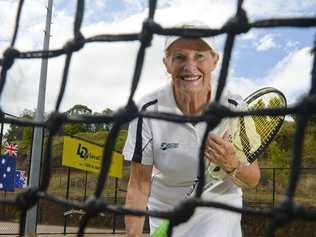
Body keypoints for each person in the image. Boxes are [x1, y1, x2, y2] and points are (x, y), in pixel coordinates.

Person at [123, 21, 261, 237]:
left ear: (214, 61)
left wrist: (232, 164)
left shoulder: (235, 107)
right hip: (166, 208)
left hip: (220, 203)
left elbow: (253, 178)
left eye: (199, 56)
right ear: (167, 63)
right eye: (179, 57)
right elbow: (139, 185)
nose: (190, 66)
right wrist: (133, 235)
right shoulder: (147, 111)